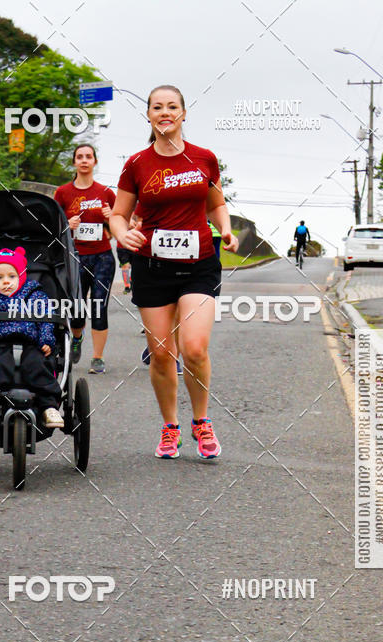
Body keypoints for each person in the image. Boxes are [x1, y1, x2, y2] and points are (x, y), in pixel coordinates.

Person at [110, 84, 238, 459]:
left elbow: (216, 205)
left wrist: (225, 228)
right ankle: (170, 427)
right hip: (152, 266)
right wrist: (123, 233)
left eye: (172, 106)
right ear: (149, 115)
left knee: (195, 348)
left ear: (183, 113)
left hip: (198, 264)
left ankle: (201, 421)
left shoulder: (204, 158)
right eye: (157, 107)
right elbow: (118, 214)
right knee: (162, 352)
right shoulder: (137, 164)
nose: (164, 112)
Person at [0, 247, 64, 430]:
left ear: (21, 276)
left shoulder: (33, 293)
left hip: (32, 343)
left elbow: (45, 316)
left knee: (39, 365)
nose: (6, 282)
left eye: (12, 277)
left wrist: (46, 339)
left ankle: (49, 406)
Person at [54, 144, 116, 374]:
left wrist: (111, 219)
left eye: (88, 157)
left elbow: (121, 224)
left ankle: (98, 358)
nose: (84, 160)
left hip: (102, 257)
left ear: (94, 162)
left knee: (99, 306)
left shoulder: (106, 193)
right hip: (75, 257)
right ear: (74, 163)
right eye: (79, 157)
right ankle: (76, 338)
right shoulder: (63, 193)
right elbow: (52, 225)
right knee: (77, 309)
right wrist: (66, 226)